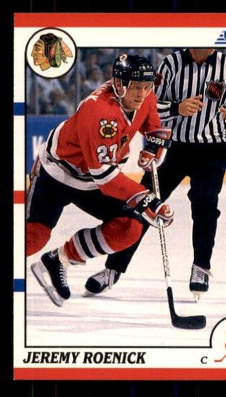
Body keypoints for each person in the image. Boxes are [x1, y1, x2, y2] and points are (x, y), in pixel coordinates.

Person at [84, 48, 226, 301]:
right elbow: (147, 104)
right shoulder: (171, 63)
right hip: (174, 148)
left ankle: (201, 267)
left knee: (205, 207)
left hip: (212, 150)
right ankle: (113, 268)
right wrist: (177, 108)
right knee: (142, 204)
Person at [27, 54, 174, 307]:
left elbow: (151, 123)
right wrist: (146, 198)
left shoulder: (146, 95)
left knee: (129, 228)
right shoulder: (98, 111)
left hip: (92, 179)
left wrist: (153, 146)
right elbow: (105, 177)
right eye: (136, 87)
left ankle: (59, 259)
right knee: (33, 238)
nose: (142, 93)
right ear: (118, 84)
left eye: (146, 86)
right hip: (57, 173)